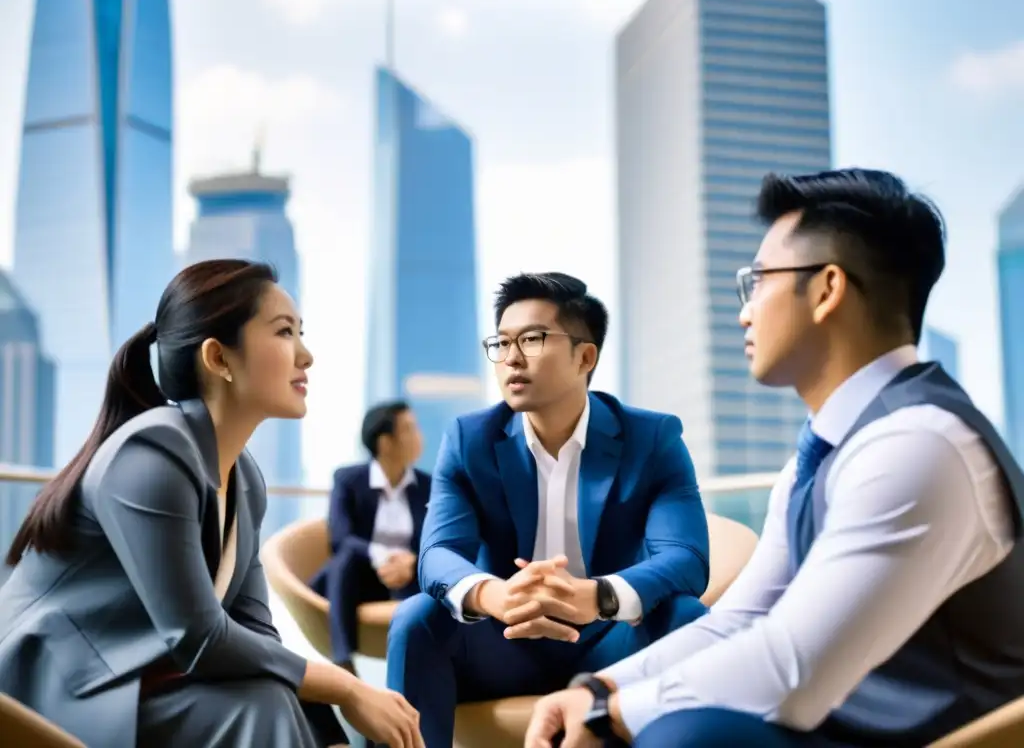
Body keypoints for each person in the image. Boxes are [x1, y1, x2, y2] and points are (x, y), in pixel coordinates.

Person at [525, 169, 1024, 748]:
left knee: (687, 736)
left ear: (827, 289)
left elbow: (792, 669)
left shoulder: (919, 445)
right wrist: (599, 691)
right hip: (842, 727)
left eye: (757, 282)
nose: (745, 311)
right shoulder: (827, 453)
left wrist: (613, 716)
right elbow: (742, 619)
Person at [0, 260, 424, 748]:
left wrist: (329, 720)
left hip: (148, 674)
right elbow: (198, 637)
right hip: (60, 686)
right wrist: (348, 687)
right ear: (219, 359)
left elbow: (255, 632)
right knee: (263, 706)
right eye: (285, 332)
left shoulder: (245, 480)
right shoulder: (151, 453)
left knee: (277, 699)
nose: (306, 355)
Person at [386, 272, 711, 747]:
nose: (511, 358)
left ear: (586, 356)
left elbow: (686, 558)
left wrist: (597, 596)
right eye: (501, 343)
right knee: (417, 620)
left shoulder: (652, 438)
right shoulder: (469, 439)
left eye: (533, 339)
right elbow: (437, 554)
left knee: (686, 616)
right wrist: (494, 596)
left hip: (609, 642)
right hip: (502, 641)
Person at [310, 400, 430, 671]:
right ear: (385, 442)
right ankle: (342, 658)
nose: (419, 436)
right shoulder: (348, 479)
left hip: (408, 577)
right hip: (360, 576)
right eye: (409, 429)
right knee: (346, 558)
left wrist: (410, 562)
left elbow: (436, 537)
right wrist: (383, 557)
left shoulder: (427, 486)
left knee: (435, 570)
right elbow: (341, 538)